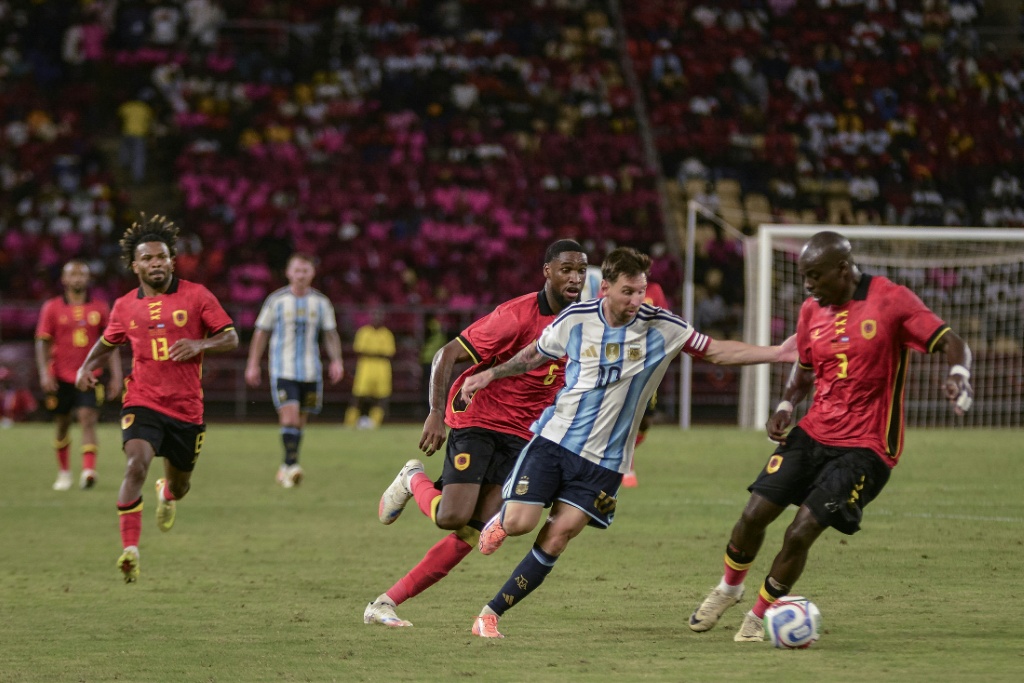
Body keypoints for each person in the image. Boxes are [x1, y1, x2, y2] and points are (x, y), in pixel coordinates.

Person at [458, 247, 797, 638]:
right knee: (520, 524)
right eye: (628, 292)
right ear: (605, 288)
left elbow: (716, 351)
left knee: (558, 536)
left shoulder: (663, 326)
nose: (637, 300)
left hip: (607, 463)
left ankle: (490, 613)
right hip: (556, 442)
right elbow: (534, 355)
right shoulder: (577, 319)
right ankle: (505, 518)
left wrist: (778, 353)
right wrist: (490, 375)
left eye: (641, 291)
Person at [687, 231, 973, 642]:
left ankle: (758, 616)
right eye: (805, 276)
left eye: (815, 276)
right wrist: (787, 404)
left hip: (866, 448)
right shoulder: (811, 310)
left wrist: (959, 374)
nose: (808, 285)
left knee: (800, 531)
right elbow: (804, 366)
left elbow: (952, 342)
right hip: (814, 431)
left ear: (843, 269)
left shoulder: (891, 300)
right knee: (752, 515)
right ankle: (727, 590)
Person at [364, 239, 589, 628]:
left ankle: (387, 601)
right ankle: (412, 477)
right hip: (479, 419)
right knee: (452, 516)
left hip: (522, 434)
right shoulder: (515, 315)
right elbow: (446, 354)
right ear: (547, 272)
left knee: (478, 527)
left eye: (582, 270)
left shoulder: (584, 324)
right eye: (567, 269)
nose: (575, 277)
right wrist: (435, 413)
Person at [75, 214, 239, 583]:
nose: (156, 264)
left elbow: (230, 337)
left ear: (172, 260)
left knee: (180, 486)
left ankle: (167, 493)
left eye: (162, 257)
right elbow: (107, 343)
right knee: (135, 465)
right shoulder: (123, 306)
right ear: (135, 266)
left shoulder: (197, 295)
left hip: (186, 408)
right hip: (142, 400)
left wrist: (200, 343)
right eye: (147, 259)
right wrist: (85, 367)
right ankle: (130, 550)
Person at [245, 253, 344, 487]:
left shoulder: (321, 303)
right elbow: (261, 332)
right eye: (297, 271)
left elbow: (330, 333)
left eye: (305, 271)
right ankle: (291, 465)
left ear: (312, 273)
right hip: (283, 369)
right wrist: (253, 363)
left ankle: (286, 465)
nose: (301, 275)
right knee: (289, 416)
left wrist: (336, 360)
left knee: (300, 421)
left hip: (311, 371)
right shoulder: (276, 300)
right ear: (289, 273)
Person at [35, 259, 123, 490]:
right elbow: (42, 342)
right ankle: (64, 472)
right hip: (60, 376)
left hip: (90, 375)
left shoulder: (100, 307)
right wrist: (45, 373)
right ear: (64, 280)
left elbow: (110, 344)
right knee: (62, 424)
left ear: (88, 279)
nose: (77, 279)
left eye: (81, 275)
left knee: (87, 418)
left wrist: (116, 375)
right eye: (72, 275)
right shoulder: (52, 307)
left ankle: (88, 471)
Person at [580, 269, 670, 488]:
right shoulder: (613, 291)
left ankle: (615, 454)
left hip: (646, 364)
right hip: (619, 363)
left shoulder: (655, 291)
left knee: (645, 420)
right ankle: (624, 464)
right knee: (622, 415)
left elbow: (665, 321)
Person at [345, 309, 395, 429]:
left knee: (381, 398)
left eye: (379, 316)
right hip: (365, 369)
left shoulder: (387, 334)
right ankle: (349, 423)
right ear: (371, 317)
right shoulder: (363, 332)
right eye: (375, 315)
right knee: (358, 397)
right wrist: (377, 353)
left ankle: (375, 423)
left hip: (382, 370)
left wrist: (370, 352)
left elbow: (389, 353)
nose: (377, 318)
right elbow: (359, 350)